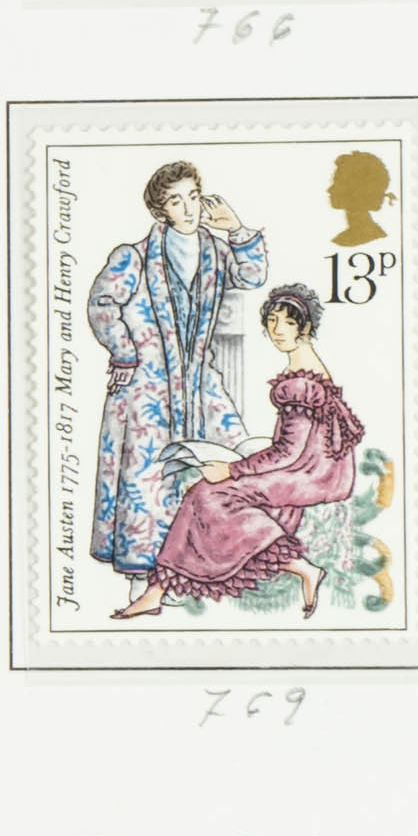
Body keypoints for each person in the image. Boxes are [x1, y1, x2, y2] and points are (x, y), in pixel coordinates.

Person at [120, 287, 366, 617]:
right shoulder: (304, 370)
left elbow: (288, 453)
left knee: (209, 494)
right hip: (307, 469)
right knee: (206, 491)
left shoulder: (300, 384)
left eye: (287, 322)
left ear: (304, 327)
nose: (277, 329)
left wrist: (231, 470)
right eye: (272, 321)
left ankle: (305, 569)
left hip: (303, 475)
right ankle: (156, 593)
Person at [79, 159, 263, 579]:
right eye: (177, 201)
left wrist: (236, 229)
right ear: (160, 210)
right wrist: (124, 351)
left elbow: (252, 276)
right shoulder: (134, 257)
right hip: (147, 388)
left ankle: (205, 569)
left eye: (193, 197)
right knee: (149, 478)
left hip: (199, 383)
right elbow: (101, 304)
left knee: (228, 460)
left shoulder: (216, 251)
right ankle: (145, 576)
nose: (189, 208)